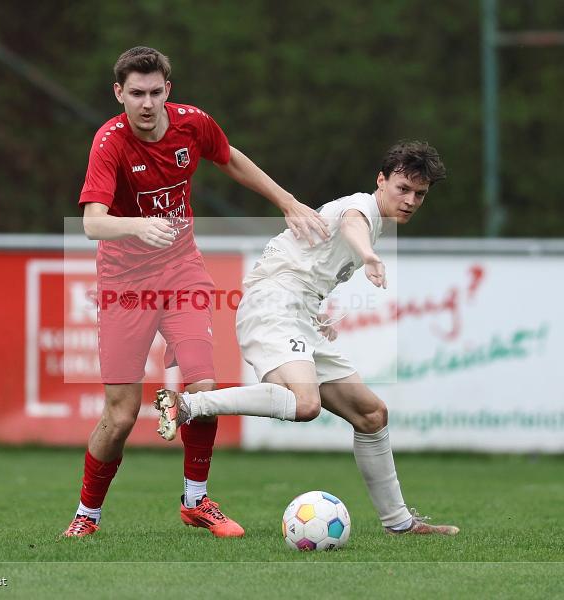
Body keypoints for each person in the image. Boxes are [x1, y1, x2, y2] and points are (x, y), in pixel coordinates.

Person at [64, 47, 328, 538]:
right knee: (120, 416)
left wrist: (287, 202)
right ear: (119, 93)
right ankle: (87, 516)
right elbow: (91, 223)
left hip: (183, 272)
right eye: (136, 94)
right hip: (125, 286)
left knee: (203, 390)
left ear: (169, 89)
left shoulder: (192, 124)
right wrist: (139, 226)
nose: (146, 103)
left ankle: (197, 500)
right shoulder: (109, 142)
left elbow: (231, 159)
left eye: (155, 92)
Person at [155, 141, 459, 535]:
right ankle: (189, 404)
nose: (411, 200)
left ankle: (400, 524)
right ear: (381, 181)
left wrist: (316, 314)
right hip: (275, 304)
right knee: (305, 404)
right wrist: (367, 256)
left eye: (420, 193)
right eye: (403, 188)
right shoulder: (362, 208)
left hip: (297, 312)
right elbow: (352, 224)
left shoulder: (378, 221)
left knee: (371, 415)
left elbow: (309, 260)